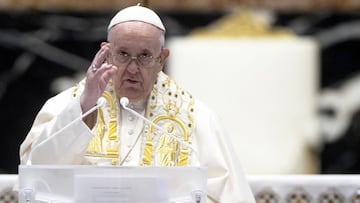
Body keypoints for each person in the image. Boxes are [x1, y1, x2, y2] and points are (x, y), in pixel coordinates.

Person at [19, 4, 255, 203]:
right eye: (123, 54)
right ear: (106, 52)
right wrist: (85, 107)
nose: (132, 69)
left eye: (144, 56)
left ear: (161, 59)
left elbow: (230, 195)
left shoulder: (196, 117)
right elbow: (36, 173)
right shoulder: (67, 105)